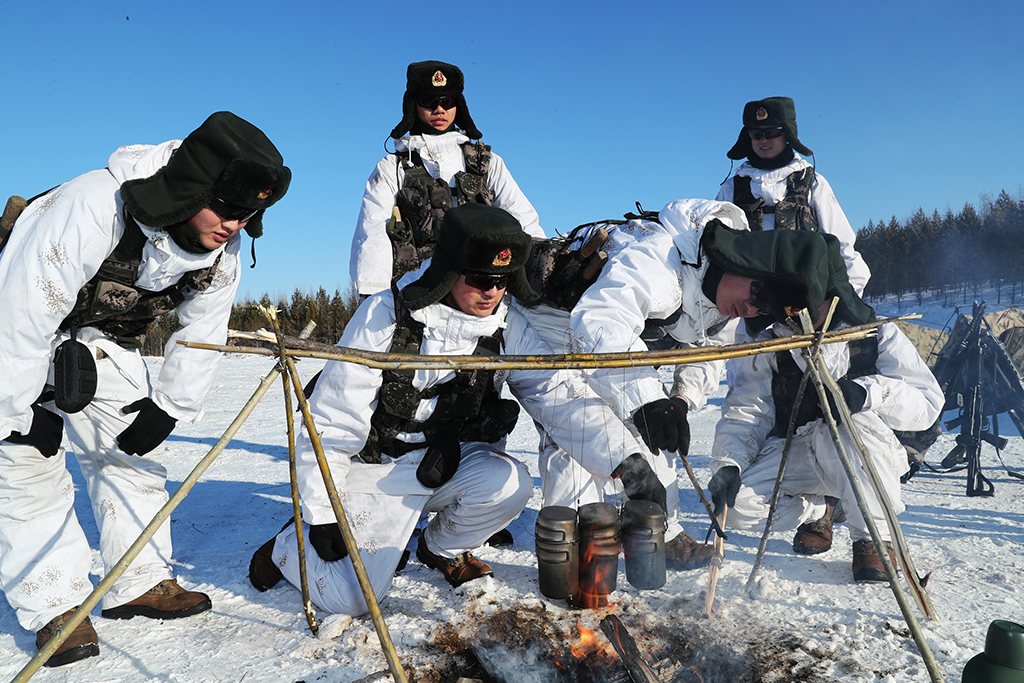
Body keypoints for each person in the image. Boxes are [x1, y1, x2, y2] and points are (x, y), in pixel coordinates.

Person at [249, 204, 658, 616]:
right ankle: (288, 546)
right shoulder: (385, 317)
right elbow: (333, 420)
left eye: (502, 281)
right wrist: (322, 512)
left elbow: (559, 396)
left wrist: (626, 461)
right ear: (448, 271)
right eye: (480, 278)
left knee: (509, 482)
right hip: (373, 471)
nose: (491, 292)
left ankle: (440, 548)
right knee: (353, 599)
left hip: (445, 466)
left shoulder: (506, 327)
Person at [0, 111, 291, 667]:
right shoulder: (92, 206)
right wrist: (14, 411)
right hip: (15, 332)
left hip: (103, 337)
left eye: (248, 213)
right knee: (24, 463)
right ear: (192, 188)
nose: (235, 225)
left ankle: (139, 580)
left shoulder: (220, 248)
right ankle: (55, 604)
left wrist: (170, 405)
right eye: (226, 208)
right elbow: (19, 313)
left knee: (129, 452)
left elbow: (204, 328)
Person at [522, 197, 836, 571]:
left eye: (765, 310)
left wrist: (680, 400)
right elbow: (601, 321)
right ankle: (570, 549)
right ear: (738, 261)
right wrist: (645, 402)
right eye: (758, 295)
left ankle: (661, 534)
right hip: (556, 326)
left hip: (617, 344)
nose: (753, 309)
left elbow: (707, 352)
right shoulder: (657, 257)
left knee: (658, 431)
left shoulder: (726, 301)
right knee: (577, 432)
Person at [705, 227, 944, 582]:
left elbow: (927, 405)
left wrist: (867, 393)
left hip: (868, 450)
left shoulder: (875, 332)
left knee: (853, 423)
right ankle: (822, 507)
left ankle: (873, 538)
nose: (786, 312)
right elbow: (747, 409)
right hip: (801, 449)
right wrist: (730, 463)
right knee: (733, 507)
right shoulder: (772, 342)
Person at [350, 60, 545, 297]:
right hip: (417, 289)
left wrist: (542, 276)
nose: (439, 109)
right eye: (428, 101)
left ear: (459, 105)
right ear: (412, 105)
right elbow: (373, 231)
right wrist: (373, 294)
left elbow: (522, 219)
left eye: (447, 101)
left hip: (483, 288)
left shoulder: (487, 163)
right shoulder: (393, 167)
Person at [716, 96, 870, 295]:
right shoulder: (731, 189)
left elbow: (842, 245)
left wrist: (848, 297)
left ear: (787, 134)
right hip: (748, 304)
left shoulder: (812, 183)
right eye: (756, 133)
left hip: (807, 300)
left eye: (772, 132)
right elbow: (714, 250)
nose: (764, 140)